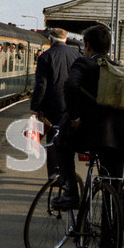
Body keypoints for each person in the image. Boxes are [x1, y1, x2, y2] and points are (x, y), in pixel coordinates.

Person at [52, 24, 124, 209]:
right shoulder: (118, 69)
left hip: (88, 135)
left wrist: (75, 117)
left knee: (60, 144)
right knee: (112, 189)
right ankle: (110, 234)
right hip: (119, 138)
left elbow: (71, 85)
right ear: (107, 47)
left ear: (87, 45)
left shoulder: (83, 63)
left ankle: (71, 192)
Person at [31, 28, 80, 178]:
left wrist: (36, 107)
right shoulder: (77, 56)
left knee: (53, 142)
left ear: (50, 40)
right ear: (65, 40)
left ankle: (53, 176)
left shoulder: (45, 57)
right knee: (68, 143)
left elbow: (41, 85)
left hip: (53, 109)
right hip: (71, 108)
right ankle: (68, 176)